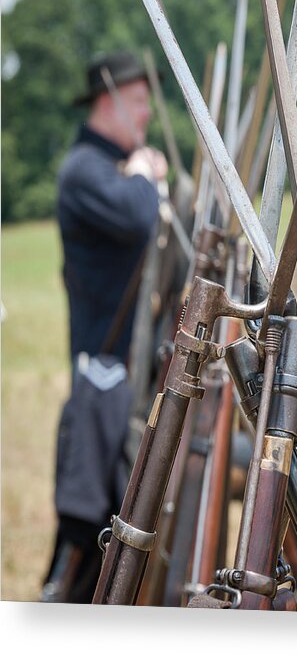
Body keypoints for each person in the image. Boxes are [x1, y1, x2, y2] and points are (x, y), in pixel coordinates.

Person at [41, 50, 168, 603]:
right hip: (103, 369)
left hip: (127, 367)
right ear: (107, 101)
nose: (144, 114)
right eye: (138, 102)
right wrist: (145, 175)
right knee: (91, 519)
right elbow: (139, 216)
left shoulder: (108, 168)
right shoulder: (85, 171)